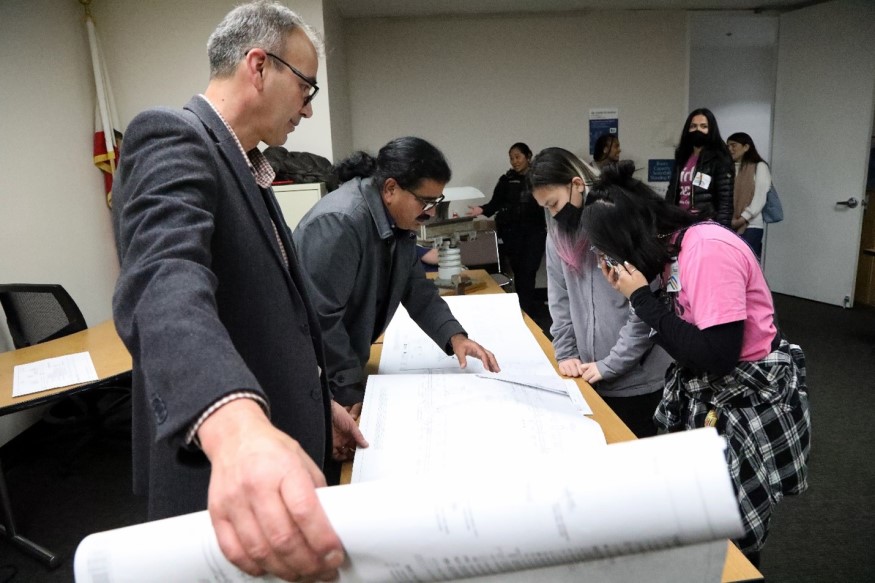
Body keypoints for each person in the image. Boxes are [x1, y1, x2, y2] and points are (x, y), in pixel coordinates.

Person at [111, 3, 368, 581]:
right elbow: (163, 279)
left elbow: (265, 312)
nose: (308, 106)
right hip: (220, 475)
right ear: (259, 66)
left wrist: (314, 402)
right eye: (306, 87)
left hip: (280, 458)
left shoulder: (247, 164)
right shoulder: (173, 135)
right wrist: (234, 425)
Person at [581, 163, 810, 565]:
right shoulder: (674, 249)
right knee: (701, 522)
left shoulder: (705, 249)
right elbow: (683, 341)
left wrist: (640, 298)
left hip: (744, 393)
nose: (608, 261)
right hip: (712, 388)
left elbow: (715, 356)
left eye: (608, 251)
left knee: (732, 539)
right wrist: (637, 287)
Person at [293, 137, 501, 406]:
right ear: (391, 188)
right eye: (425, 202)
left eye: (436, 200)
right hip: (314, 375)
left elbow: (417, 290)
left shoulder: (398, 225)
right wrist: (350, 391)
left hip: (339, 367)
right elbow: (322, 320)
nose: (432, 211)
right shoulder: (340, 222)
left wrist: (455, 337)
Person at [528, 150, 672, 438]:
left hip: (639, 380)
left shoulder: (620, 220)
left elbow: (644, 309)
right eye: (546, 207)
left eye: (554, 203)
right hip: (591, 375)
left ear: (577, 184)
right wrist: (566, 353)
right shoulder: (557, 233)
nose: (554, 214)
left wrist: (611, 364)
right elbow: (560, 302)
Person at [467, 142, 546, 316]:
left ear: (528, 156)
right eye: (511, 158)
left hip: (534, 234)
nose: (514, 161)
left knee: (528, 272)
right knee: (519, 273)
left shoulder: (539, 179)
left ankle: (527, 311)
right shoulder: (506, 180)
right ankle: (523, 311)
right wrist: (481, 210)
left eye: (518, 157)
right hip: (513, 234)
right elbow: (495, 203)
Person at [666, 108, 734, 227]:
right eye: (693, 126)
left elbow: (725, 201)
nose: (698, 130)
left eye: (703, 126)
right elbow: (672, 191)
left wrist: (723, 229)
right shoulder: (682, 156)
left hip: (706, 222)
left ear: (711, 130)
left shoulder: (720, 158)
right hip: (681, 220)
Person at [727, 132, 771, 260]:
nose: (730, 149)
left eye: (734, 145)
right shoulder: (727, 168)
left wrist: (742, 219)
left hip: (751, 225)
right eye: (728, 146)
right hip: (728, 224)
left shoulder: (760, 167)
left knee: (747, 264)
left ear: (746, 147)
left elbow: (760, 197)